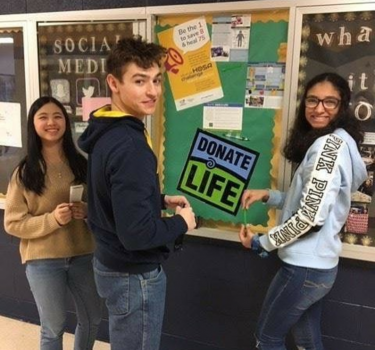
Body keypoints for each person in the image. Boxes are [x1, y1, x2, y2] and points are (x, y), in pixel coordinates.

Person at [78, 37, 196, 350]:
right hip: (134, 276)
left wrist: (157, 201)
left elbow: (109, 197)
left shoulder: (108, 131)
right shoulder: (130, 146)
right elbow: (137, 234)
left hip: (110, 264)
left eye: (157, 80)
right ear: (113, 82)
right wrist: (182, 222)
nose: (153, 91)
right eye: (140, 81)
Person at [238, 72, 367, 350]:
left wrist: (262, 243)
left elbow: (310, 218)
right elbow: (310, 203)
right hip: (319, 266)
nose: (319, 108)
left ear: (342, 106)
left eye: (329, 102)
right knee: (308, 340)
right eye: (312, 100)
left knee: (267, 339)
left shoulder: (325, 150)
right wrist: (269, 196)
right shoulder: (340, 141)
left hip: (304, 269)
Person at [4, 96, 102, 350]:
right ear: (33, 125)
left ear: (66, 123)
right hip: (43, 260)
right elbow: (13, 223)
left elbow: (101, 207)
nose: (51, 122)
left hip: (83, 255)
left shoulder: (81, 164)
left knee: (92, 319)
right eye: (43, 117)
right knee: (53, 327)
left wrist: (87, 211)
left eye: (57, 116)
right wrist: (52, 220)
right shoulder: (25, 172)